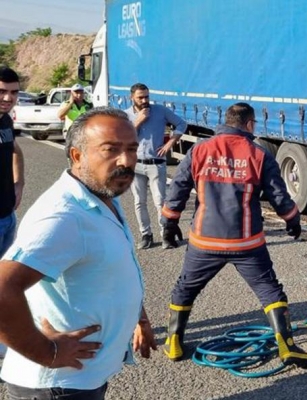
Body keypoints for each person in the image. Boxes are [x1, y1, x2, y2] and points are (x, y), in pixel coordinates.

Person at [0, 108, 156, 399]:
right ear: (77, 156)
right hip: (56, 385)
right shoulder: (64, 217)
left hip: (83, 376)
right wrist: (47, 352)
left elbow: (115, 272)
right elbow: (2, 289)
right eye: (110, 150)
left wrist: (139, 319)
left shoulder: (101, 195)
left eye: (132, 149)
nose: (126, 161)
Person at [160, 103, 307, 367]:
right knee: (269, 290)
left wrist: (169, 224)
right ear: (250, 125)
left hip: (204, 241)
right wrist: (292, 221)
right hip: (247, 243)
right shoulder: (260, 154)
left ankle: (173, 341)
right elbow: (279, 196)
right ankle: (287, 345)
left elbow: (178, 190)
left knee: (185, 288)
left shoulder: (199, 150)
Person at [124, 83, 188, 249]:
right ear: (132, 97)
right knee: (139, 201)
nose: (145, 100)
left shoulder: (160, 111)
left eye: (147, 96)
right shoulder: (125, 115)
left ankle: (165, 235)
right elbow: (123, 138)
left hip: (156, 163)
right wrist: (138, 121)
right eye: (140, 97)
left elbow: (182, 124)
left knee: (160, 201)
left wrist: (170, 143)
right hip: (135, 164)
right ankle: (146, 235)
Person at [0, 66, 25, 359]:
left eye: (14, 92)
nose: (8, 98)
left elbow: (16, 150)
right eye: (2, 92)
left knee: (6, 282)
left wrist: (20, 182)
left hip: (7, 216)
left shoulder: (5, 121)